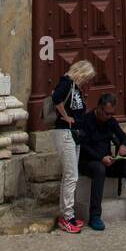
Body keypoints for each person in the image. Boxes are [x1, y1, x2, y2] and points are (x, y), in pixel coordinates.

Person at [77, 92, 126, 230]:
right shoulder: (86, 120)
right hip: (89, 162)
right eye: (107, 113)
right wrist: (100, 158)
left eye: (112, 114)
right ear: (99, 108)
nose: (109, 116)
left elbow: (124, 137)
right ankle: (95, 216)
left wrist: (123, 146)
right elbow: (83, 146)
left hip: (108, 161)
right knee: (99, 169)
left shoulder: (111, 121)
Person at [51, 59, 96, 234]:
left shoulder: (75, 88)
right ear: (81, 73)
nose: (87, 81)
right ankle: (67, 218)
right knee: (72, 176)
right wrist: (65, 116)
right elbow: (56, 98)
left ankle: (66, 214)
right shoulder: (67, 83)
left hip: (74, 135)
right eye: (87, 77)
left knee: (68, 176)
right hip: (65, 133)